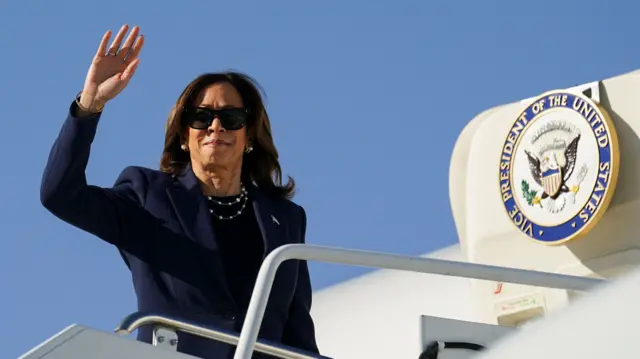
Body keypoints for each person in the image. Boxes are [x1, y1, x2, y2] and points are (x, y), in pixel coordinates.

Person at [40, 24, 319, 359]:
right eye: (201, 117)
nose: (216, 126)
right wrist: (89, 104)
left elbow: (297, 331)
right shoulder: (148, 198)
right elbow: (60, 195)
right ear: (185, 137)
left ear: (249, 136)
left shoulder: (285, 219)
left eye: (231, 117)